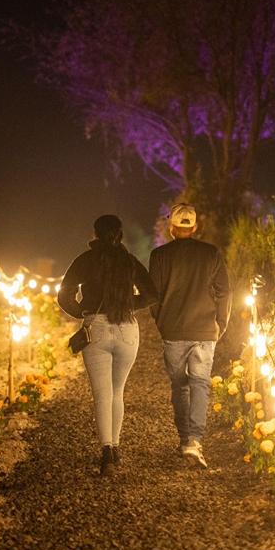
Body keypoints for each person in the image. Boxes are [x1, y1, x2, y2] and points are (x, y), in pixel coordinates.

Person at [57, 214, 158, 476]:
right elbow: (151, 294)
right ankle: (116, 446)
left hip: (97, 328)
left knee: (102, 394)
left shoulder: (85, 260)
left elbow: (64, 293)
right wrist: (127, 305)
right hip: (127, 328)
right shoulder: (129, 261)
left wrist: (81, 311)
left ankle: (107, 453)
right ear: (120, 235)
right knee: (117, 391)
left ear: (96, 234)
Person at [148, 203, 231, 469]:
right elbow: (225, 292)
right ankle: (194, 441)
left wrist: (161, 321)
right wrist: (221, 323)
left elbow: (153, 295)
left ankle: (185, 438)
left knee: (179, 385)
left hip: (173, 329)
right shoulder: (211, 254)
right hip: (205, 329)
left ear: (172, 227)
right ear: (194, 227)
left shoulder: (159, 255)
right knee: (200, 383)